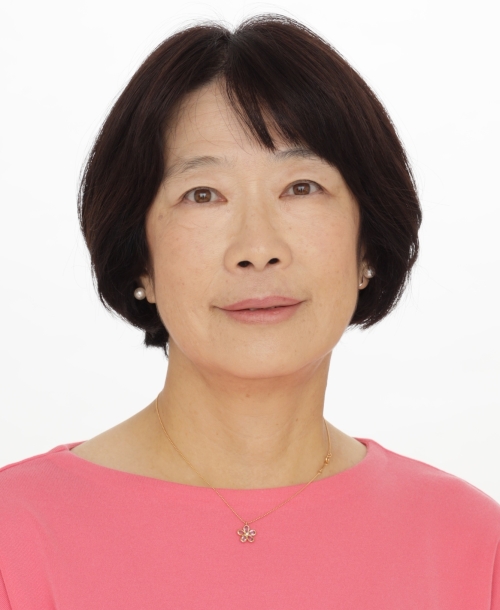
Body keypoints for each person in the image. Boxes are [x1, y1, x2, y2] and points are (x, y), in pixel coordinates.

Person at [0, 14, 498, 609]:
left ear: (367, 244)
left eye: (301, 187)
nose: (258, 248)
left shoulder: (470, 541)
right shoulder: (16, 534)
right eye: (203, 195)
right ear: (139, 258)